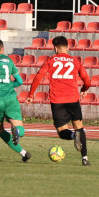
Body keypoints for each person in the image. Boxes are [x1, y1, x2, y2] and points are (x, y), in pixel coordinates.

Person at [26, 36, 92, 165]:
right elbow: (87, 81)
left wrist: (31, 94)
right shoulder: (74, 61)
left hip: (57, 101)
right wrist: (84, 89)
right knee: (79, 127)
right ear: (67, 47)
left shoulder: (50, 60)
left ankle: (73, 136)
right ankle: (85, 158)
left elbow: (39, 77)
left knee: (62, 131)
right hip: (73, 99)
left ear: (55, 48)